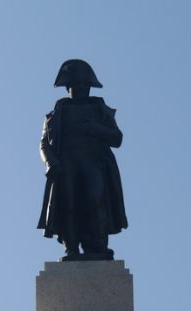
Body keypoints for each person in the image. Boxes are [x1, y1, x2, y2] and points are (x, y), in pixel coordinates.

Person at [37, 59, 128, 261]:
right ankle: (71, 248)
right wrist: (51, 163)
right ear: (67, 87)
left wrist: (94, 128)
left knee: (96, 200)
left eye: (83, 85)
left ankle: (98, 247)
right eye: (75, 85)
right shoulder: (57, 113)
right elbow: (44, 143)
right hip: (66, 165)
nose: (80, 89)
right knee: (68, 204)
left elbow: (117, 138)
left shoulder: (99, 109)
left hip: (94, 163)